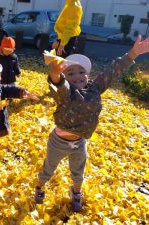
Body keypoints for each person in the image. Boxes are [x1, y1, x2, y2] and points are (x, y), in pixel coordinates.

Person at [35, 35, 149, 212]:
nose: (77, 75)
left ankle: (77, 193)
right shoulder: (66, 92)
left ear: (88, 75)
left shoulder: (95, 88)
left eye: (82, 72)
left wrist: (133, 53)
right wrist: (56, 73)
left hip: (80, 143)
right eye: (70, 73)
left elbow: (112, 71)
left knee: (78, 172)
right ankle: (40, 187)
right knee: (48, 168)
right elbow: (58, 84)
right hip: (58, 142)